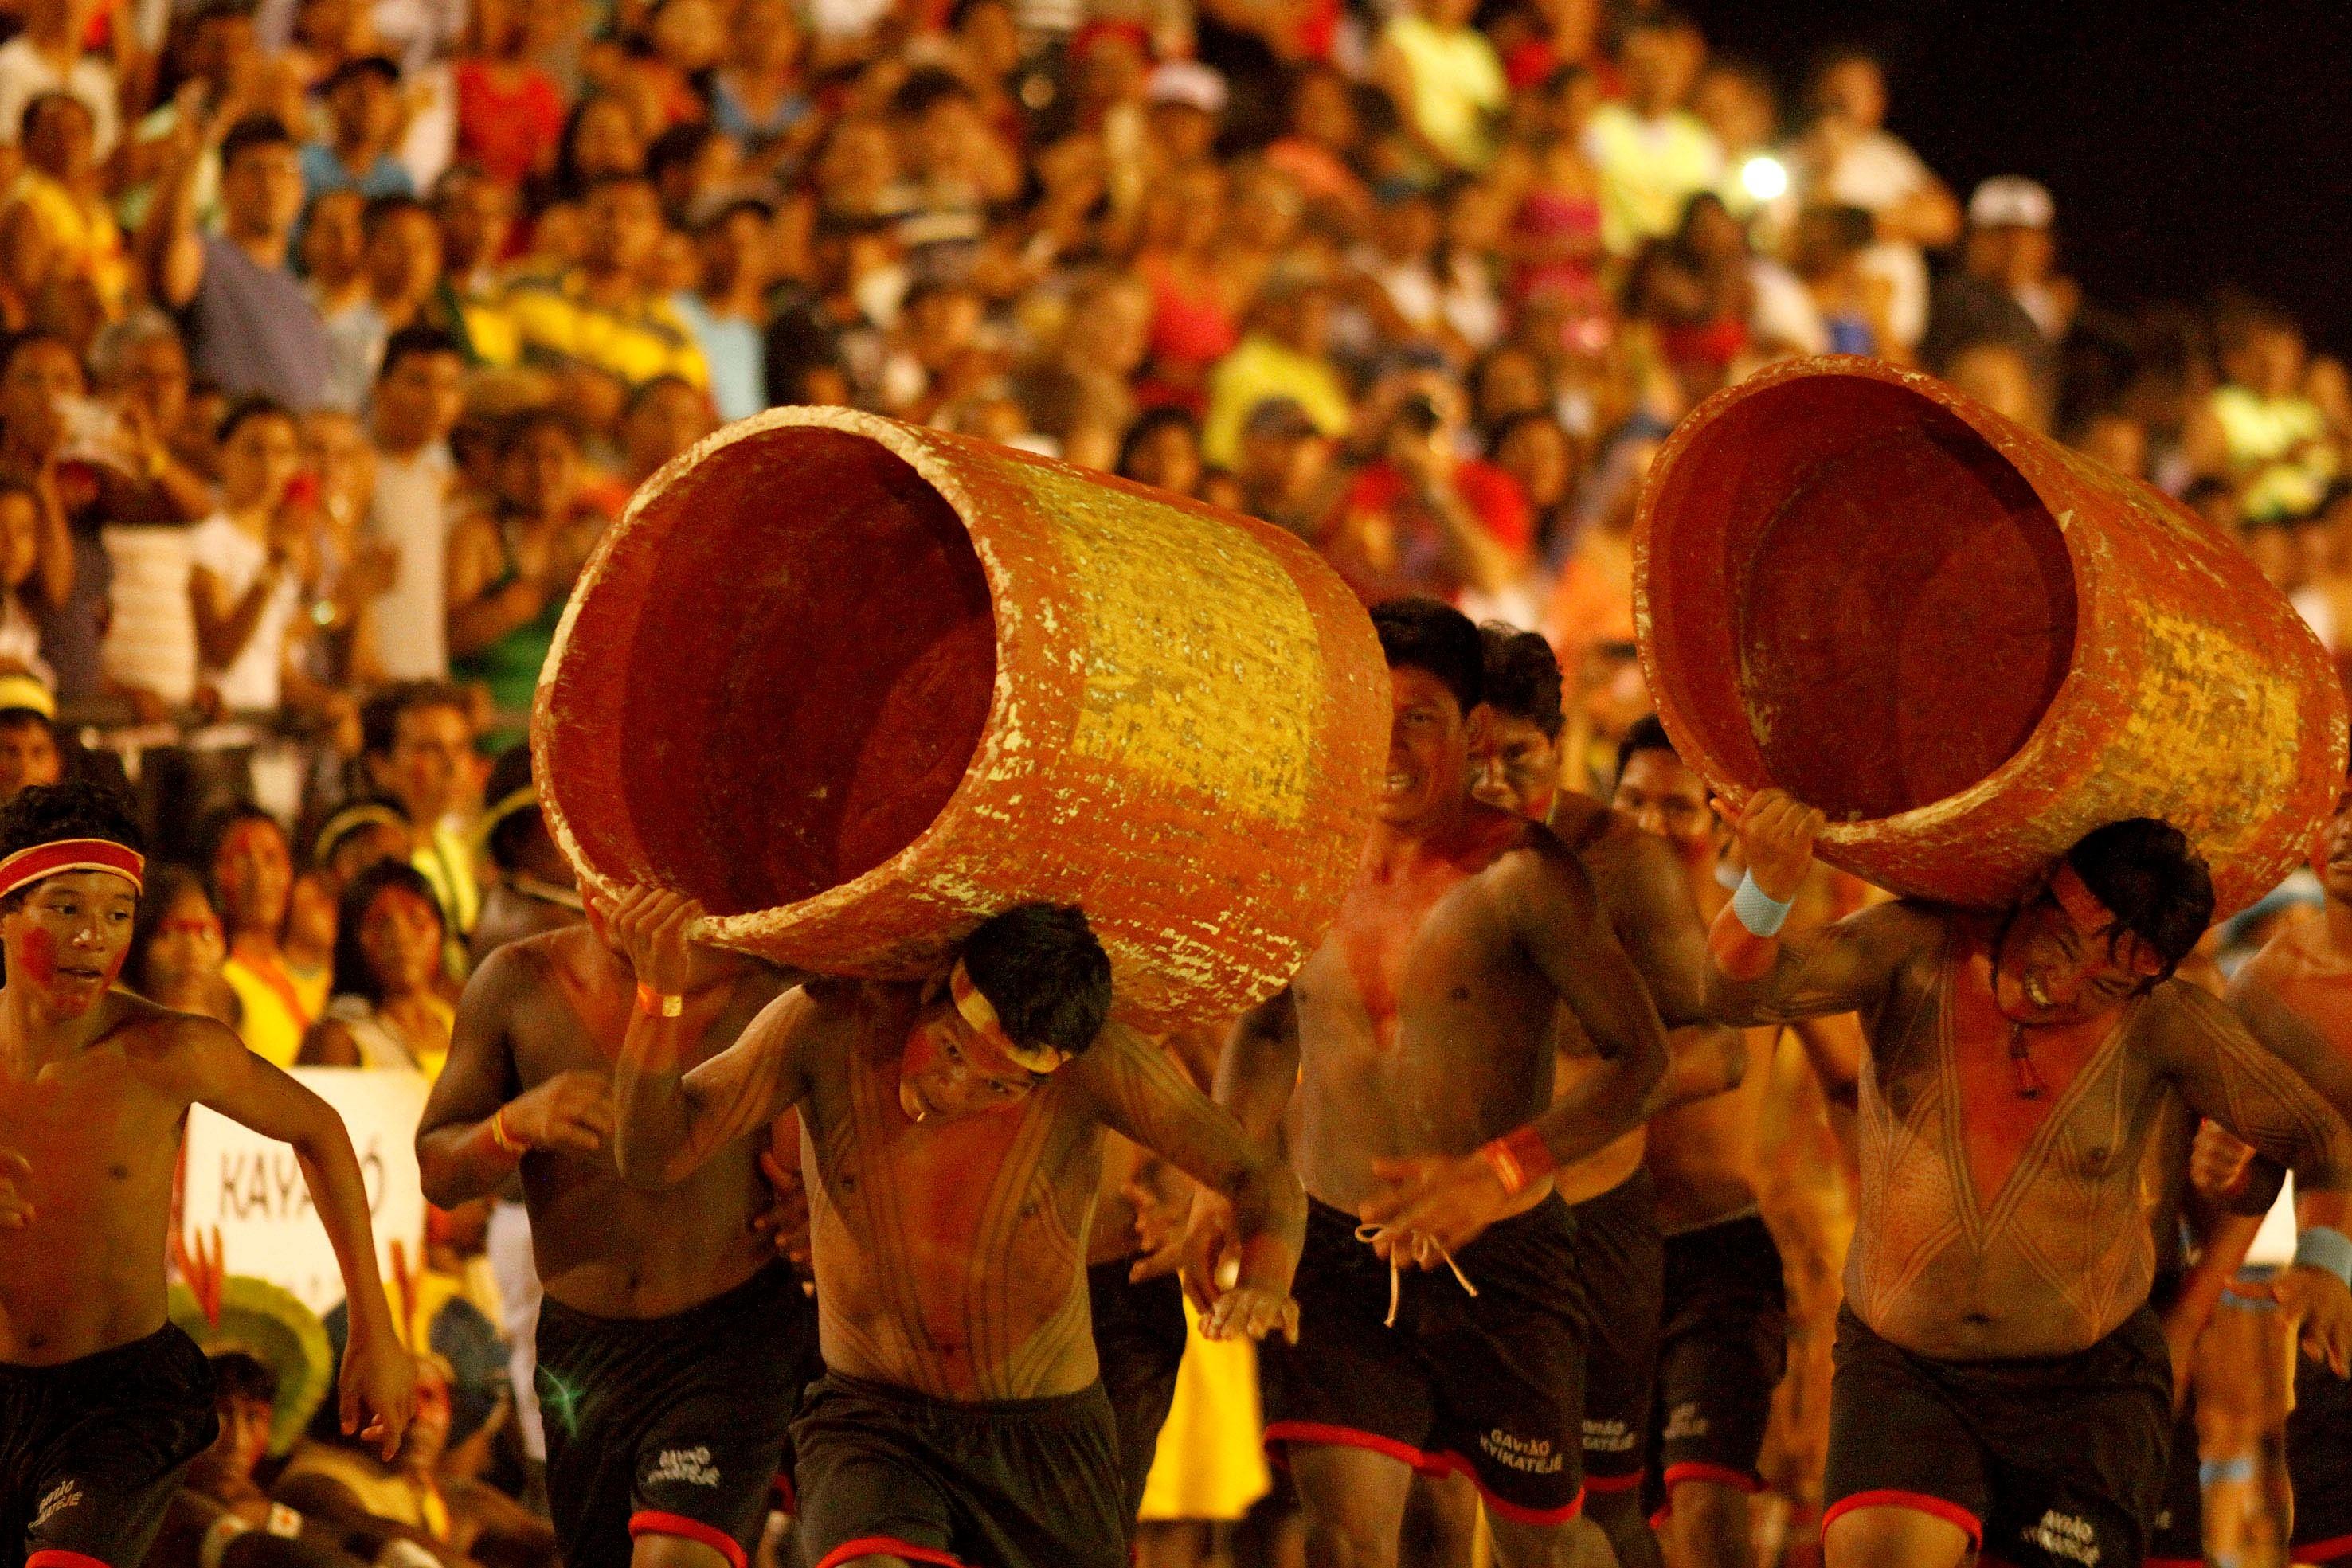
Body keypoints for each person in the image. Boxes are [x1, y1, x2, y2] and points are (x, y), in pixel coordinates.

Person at [1707, 792, 2352, 1568]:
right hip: (1907, 1369)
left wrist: (2323, 1257)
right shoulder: (1914, 947)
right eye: (2062, 942)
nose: (2069, 983)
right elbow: (1735, 993)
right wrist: (1765, 888)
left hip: (2088, 1391)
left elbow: (2316, 1133)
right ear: (2035, 889)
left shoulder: (2166, 1021)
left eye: (2107, 983)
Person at [604, 893, 1308, 1568]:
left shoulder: (1099, 1065)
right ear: (935, 987)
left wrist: (1269, 1277)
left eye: (1000, 1088)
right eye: (949, 1050)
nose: (956, 1090)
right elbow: (653, 1155)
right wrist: (657, 1000)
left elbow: (1261, 1178)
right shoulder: (824, 1025)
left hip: (1046, 1432)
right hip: (871, 1418)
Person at [1199, 596, 1668, 1568]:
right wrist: (1225, 1176)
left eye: (1419, 716)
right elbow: (1266, 1025)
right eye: (1374, 711)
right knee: (1347, 1539)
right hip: (1337, 1245)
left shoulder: (1526, 878)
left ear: (1475, 731)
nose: (1390, 742)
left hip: (1504, 1262)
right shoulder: (1304, 862)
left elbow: (1641, 1059)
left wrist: (1494, 1173)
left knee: (1543, 1548)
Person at [0, 779, 413, 1564]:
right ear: (6, 909)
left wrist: (375, 1322)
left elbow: (320, 1129)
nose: (95, 936)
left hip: (120, 1403)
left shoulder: (169, 1051)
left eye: (118, 914)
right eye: (66, 908)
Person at [414, 890, 814, 1568]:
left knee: (675, 1561)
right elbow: (437, 1169)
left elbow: (851, 1128)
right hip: (582, 1353)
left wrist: (816, 1205)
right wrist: (513, 1125)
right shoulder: (517, 981)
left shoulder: (766, 983)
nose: (625, 895)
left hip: (728, 1342)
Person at [1470, 636, 1740, 1568]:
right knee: (1422, 1507)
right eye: (1471, 759)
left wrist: (1581, 1101)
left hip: (1610, 1233)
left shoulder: (1626, 870)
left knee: (1606, 1518)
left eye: (1518, 759)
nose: (1492, 783)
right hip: (1447, 1232)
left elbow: (1728, 1050)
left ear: (1559, 742)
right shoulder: (1395, 849)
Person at [1610, 718, 1850, 1568]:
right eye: (1631, 802)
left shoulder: (1759, 940)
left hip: (1720, 1259)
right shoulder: (1567, 930)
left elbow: (1851, 1080)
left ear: (1718, 823)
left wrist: (1867, 1234)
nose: (1649, 825)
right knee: (1602, 1524)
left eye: (1675, 808)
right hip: (1599, 1258)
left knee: (1710, 1507)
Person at [145, 114, 335, 412]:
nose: (269, 183)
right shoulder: (205, 255)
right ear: (224, 185)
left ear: (301, 189)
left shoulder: (301, 295)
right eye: (254, 170)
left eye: (282, 170)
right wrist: (186, 163)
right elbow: (170, 271)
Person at [366, 326, 468, 681]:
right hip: (371, 688)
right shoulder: (354, 471)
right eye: (419, 383)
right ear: (379, 388)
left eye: (449, 387)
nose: (436, 401)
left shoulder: (434, 482)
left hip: (424, 682)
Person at [362, 679, 482, 960]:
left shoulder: (452, 844)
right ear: (380, 765)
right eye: (430, 749)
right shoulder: (373, 854)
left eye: (460, 747)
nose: (451, 766)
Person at [299, 859, 453, 1076]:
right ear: (352, 940)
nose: (401, 936)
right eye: (381, 924)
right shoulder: (340, 1038)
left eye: (416, 919)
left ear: (442, 928)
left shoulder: (459, 1023)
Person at [209, 804, 321, 1067]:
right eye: (242, 859)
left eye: (271, 858)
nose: (260, 875)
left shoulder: (315, 974)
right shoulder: (219, 983)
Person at [469, 745, 581, 964]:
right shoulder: (541, 931)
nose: (579, 827)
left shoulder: (518, 901)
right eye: (558, 812)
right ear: (514, 838)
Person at [127, 862, 242, 1029]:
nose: (193, 952)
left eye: (207, 933)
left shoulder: (232, 1026)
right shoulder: (118, 1037)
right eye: (169, 933)